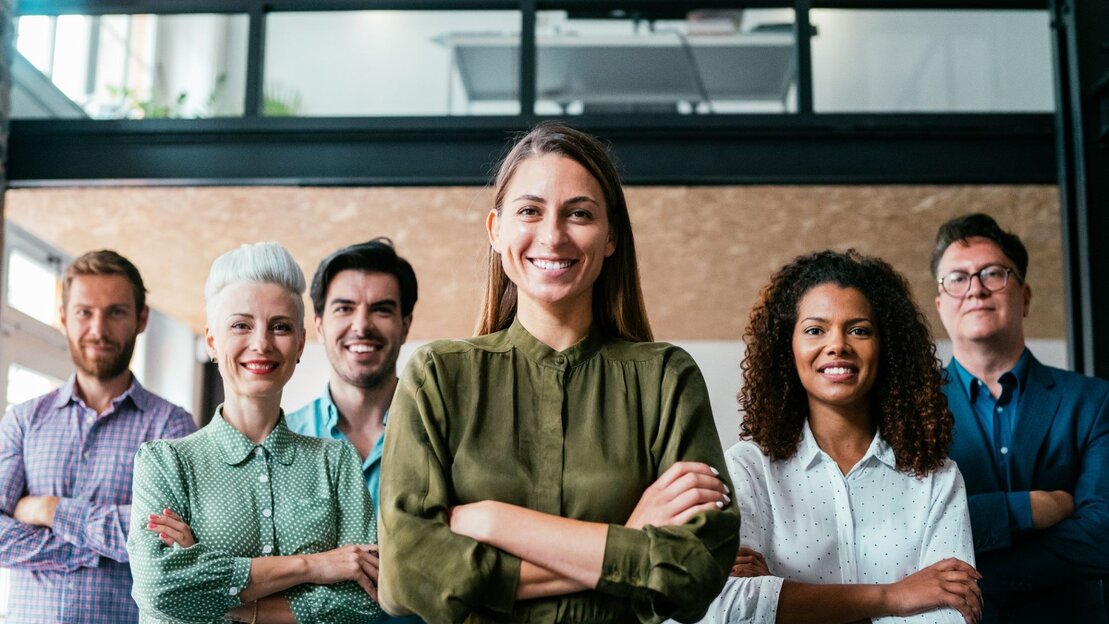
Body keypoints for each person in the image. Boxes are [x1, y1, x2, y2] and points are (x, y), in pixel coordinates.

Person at [378, 121, 739, 623]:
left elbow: (697, 570)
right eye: (530, 211)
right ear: (496, 230)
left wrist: (493, 521)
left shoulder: (666, 379)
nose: (553, 235)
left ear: (611, 236)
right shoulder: (437, 377)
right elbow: (406, 576)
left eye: (580, 214)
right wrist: (631, 541)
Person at [700, 250, 980, 624]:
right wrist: (894, 597)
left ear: (887, 348)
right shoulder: (747, 469)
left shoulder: (937, 477)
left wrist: (779, 597)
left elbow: (950, 618)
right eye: (815, 329)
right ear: (789, 347)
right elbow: (727, 609)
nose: (837, 345)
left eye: (859, 330)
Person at [126, 242, 384, 624]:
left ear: (298, 344)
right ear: (213, 340)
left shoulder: (337, 461)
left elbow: (362, 605)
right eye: (241, 325)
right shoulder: (165, 463)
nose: (261, 343)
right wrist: (314, 566)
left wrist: (214, 587)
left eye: (279, 327)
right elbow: (160, 588)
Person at [930, 213, 1109, 623]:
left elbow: (1102, 536)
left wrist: (968, 574)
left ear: (1025, 296)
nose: (974, 289)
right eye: (957, 278)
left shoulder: (1093, 401)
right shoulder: (908, 410)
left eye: (993, 273)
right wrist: (1025, 509)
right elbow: (906, 527)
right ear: (941, 305)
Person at [0, 250, 196, 623]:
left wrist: (50, 510)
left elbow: (165, 540)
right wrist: (97, 547)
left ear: (141, 319)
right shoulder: (22, 422)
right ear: (63, 318)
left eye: (116, 312)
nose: (98, 330)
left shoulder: (171, 427)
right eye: (84, 312)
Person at [287, 238, 421, 624]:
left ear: (405, 323)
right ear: (318, 324)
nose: (361, 326)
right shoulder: (280, 437)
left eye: (381, 310)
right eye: (344, 308)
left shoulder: (445, 437)